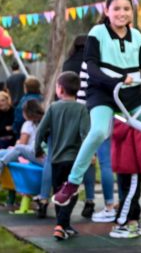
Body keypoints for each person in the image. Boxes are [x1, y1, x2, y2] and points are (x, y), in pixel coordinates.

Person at [52, 0, 141, 207]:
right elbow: (91, 67)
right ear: (107, 12)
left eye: (126, 9)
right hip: (102, 94)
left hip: (131, 95)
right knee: (100, 131)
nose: (121, 13)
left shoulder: (136, 36)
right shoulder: (98, 33)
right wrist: (118, 80)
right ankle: (72, 183)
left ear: (132, 12)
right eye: (116, 8)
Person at [62, 35, 115, 222]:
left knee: (86, 159)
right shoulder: (100, 61)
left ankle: (88, 199)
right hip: (102, 110)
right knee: (105, 161)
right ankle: (109, 203)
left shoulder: (68, 64)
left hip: (81, 113)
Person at [34, 72, 89, 241]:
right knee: (71, 193)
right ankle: (61, 225)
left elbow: (41, 131)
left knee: (59, 193)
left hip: (56, 159)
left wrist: (38, 149)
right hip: (75, 160)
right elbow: (85, 134)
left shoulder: (53, 108)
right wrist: (89, 155)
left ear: (61, 89)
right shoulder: (81, 109)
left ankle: (62, 225)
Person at [108, 120, 141, 239]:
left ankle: (133, 221)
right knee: (131, 195)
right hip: (132, 164)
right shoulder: (138, 121)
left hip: (121, 162)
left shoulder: (118, 119)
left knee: (126, 193)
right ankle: (123, 223)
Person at [0, 98, 45, 173]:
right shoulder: (41, 122)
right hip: (37, 154)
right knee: (4, 151)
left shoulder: (28, 125)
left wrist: (17, 143)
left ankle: (1, 164)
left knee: (14, 149)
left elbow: (22, 145)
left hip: (35, 155)